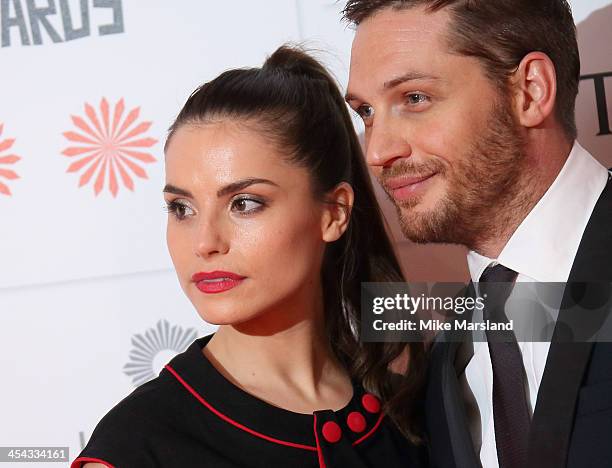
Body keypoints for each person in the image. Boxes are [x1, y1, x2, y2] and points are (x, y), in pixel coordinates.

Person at [71, 45, 426, 468]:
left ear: (334, 213)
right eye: (182, 208)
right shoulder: (138, 445)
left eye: (244, 203)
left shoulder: (411, 411)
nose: (204, 242)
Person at [343, 1, 612, 467]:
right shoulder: (445, 362)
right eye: (366, 112)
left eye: (414, 99)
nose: (378, 151)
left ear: (530, 91)